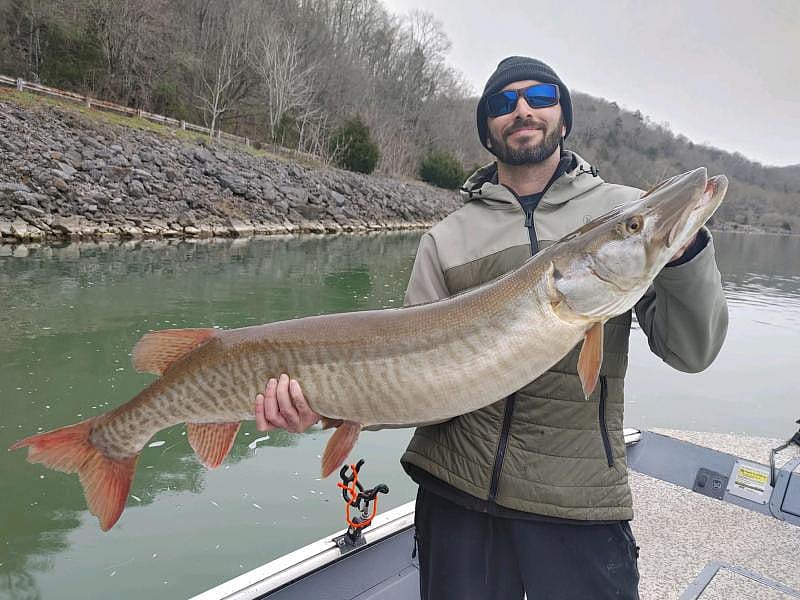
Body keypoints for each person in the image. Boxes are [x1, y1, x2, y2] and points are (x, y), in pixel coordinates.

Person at [253, 56, 729, 599]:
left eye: (540, 97)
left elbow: (692, 351)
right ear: (487, 129)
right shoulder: (447, 238)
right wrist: (324, 403)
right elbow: (408, 379)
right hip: (456, 498)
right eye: (503, 104)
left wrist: (684, 252)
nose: (522, 110)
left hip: (578, 499)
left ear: (564, 118)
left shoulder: (619, 209)